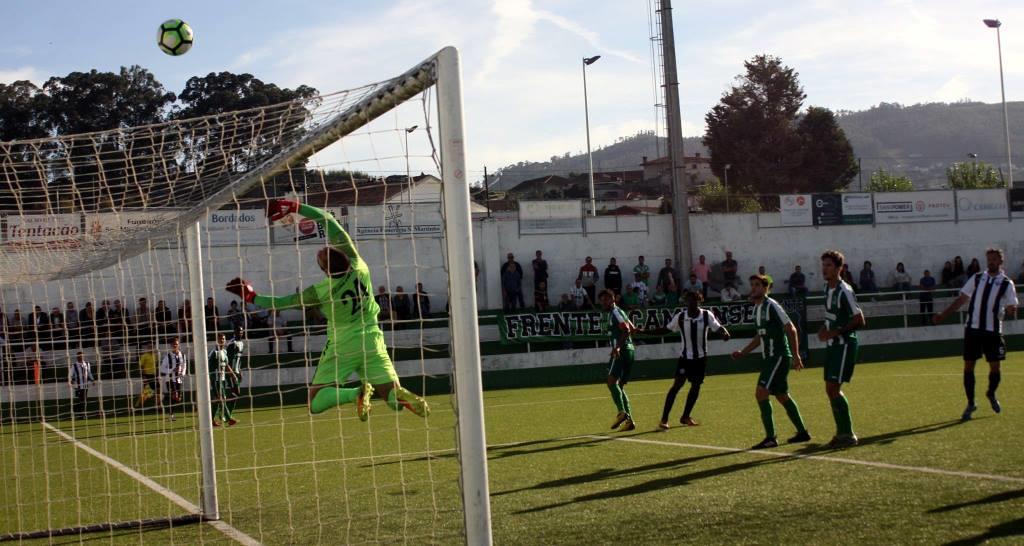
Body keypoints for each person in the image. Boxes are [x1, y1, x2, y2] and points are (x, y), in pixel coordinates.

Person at [227, 199, 429, 420]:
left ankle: (356, 393)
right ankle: (398, 395)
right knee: (393, 398)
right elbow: (329, 220)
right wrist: (294, 206)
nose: (324, 248)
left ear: (325, 270)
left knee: (314, 401)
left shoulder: (320, 291)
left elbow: (281, 302)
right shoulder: (359, 266)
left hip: (342, 344)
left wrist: (251, 296)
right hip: (372, 339)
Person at [934, 247, 1018, 421]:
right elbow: (961, 299)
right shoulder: (978, 277)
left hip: (993, 331)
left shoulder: (1006, 283)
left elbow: (1012, 305)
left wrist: (1011, 309)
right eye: (989, 259)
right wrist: (943, 314)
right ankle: (971, 403)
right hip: (972, 329)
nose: (991, 262)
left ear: (1001, 261)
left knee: (995, 367)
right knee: (968, 366)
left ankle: (991, 393)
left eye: (994, 259)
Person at [730, 275, 809, 449]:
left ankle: (771, 438)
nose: (754, 288)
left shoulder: (772, 305)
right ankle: (802, 432)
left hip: (778, 356)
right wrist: (743, 352)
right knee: (781, 395)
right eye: (752, 285)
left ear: (766, 288)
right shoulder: (756, 309)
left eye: (758, 285)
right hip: (770, 359)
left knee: (761, 393)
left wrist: (796, 356)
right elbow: (760, 336)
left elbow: (791, 329)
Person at [651, 290, 731, 429]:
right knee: (676, 386)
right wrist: (644, 331)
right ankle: (664, 419)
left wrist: (724, 333)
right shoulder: (681, 316)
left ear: (699, 300)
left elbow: (718, 327)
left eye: (694, 300)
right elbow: (666, 329)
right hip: (685, 359)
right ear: (685, 301)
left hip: (700, 359)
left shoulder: (706, 315)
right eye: (689, 300)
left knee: (696, 386)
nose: (691, 303)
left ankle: (685, 416)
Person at [818, 250, 866, 448]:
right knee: (830, 389)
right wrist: (825, 328)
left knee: (833, 388)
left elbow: (859, 319)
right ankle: (841, 432)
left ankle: (848, 434)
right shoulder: (827, 289)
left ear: (839, 268)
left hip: (844, 345)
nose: (825, 268)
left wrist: (836, 332)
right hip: (833, 345)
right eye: (823, 265)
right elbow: (832, 316)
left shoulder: (844, 290)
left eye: (829, 265)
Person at [599, 289, 638, 432]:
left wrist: (618, 348)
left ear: (613, 299)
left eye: (606, 299)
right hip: (630, 351)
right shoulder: (618, 312)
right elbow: (632, 329)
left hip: (622, 351)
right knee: (619, 387)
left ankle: (622, 412)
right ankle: (629, 422)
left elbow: (627, 330)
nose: (603, 302)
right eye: (602, 300)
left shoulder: (615, 312)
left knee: (610, 381)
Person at [159, 337, 188, 421]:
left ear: (179, 345)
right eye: (174, 344)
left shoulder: (182, 355)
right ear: (171, 345)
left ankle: (166, 398)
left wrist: (182, 374)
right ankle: (171, 415)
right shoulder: (168, 356)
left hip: (179, 379)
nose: (175, 345)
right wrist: (171, 370)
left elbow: (184, 366)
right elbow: (162, 368)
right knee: (174, 395)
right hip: (170, 379)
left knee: (178, 398)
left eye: (177, 344)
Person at [208, 333, 233, 427]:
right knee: (221, 399)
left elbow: (226, 365)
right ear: (217, 340)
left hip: (222, 380)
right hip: (216, 381)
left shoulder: (224, 352)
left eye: (223, 339)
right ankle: (229, 419)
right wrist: (212, 382)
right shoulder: (214, 353)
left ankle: (211, 420)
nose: (222, 340)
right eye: (220, 339)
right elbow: (210, 369)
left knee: (218, 400)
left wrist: (233, 375)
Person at [69, 351, 96, 417]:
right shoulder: (74, 365)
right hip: (78, 386)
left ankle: (81, 413)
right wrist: (71, 380)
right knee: (82, 400)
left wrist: (92, 380)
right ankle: (81, 413)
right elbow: (70, 374)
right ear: (77, 357)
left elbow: (89, 373)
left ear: (83, 356)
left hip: (85, 385)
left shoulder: (87, 364)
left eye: (81, 356)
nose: (80, 357)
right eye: (79, 356)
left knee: (84, 400)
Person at [135, 342, 159, 408]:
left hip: (154, 376)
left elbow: (156, 365)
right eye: (149, 347)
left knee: (158, 390)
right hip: (147, 376)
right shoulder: (144, 356)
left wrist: (157, 375)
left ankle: (157, 406)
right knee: (146, 392)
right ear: (147, 348)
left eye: (152, 347)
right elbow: (140, 367)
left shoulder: (155, 355)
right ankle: (139, 406)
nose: (151, 348)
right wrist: (144, 377)